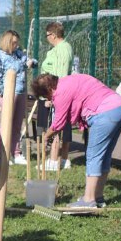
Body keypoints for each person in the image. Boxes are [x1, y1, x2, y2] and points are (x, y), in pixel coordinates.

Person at [32, 72, 121, 208]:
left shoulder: (60, 92)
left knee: (93, 156)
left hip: (104, 113)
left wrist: (46, 136)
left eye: (46, 96)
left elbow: (58, 123)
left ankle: (88, 200)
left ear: (49, 89)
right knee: (104, 155)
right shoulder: (72, 78)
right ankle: (98, 197)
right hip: (120, 107)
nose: (49, 99)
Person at [0, 29, 34, 165]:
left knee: (17, 125)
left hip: (21, 93)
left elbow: (31, 62)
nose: (16, 46)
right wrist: (4, 96)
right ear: (7, 42)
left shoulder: (19, 54)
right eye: (14, 43)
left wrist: (32, 61)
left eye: (17, 43)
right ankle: (0, 153)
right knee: (5, 125)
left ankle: (15, 152)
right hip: (7, 94)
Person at [39, 22, 74, 171]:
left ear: (53, 35)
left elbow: (60, 74)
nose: (47, 38)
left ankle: (54, 160)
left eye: (47, 35)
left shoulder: (62, 49)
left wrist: (52, 97)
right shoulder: (61, 48)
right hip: (56, 91)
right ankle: (63, 160)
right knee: (61, 124)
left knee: (56, 124)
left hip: (57, 92)